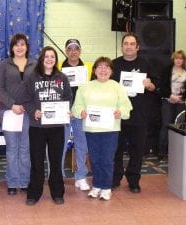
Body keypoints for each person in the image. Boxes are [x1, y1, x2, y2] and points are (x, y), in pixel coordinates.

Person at [72, 56, 132, 200]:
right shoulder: (85, 87)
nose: (103, 69)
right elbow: (76, 106)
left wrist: (120, 112)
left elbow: (126, 106)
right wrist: (81, 112)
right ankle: (96, 185)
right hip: (92, 130)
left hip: (110, 130)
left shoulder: (117, 87)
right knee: (95, 159)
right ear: (94, 70)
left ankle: (106, 187)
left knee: (107, 159)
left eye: (107, 67)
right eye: (100, 66)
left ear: (111, 71)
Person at [21, 46, 72, 205]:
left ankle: (57, 192)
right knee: (36, 161)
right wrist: (33, 111)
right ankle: (34, 193)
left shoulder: (62, 77)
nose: (49, 59)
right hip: (37, 127)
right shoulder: (32, 77)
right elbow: (26, 99)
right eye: (46, 57)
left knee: (56, 161)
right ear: (42, 59)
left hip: (56, 127)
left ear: (55, 60)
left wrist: (66, 110)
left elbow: (68, 97)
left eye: (52, 57)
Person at [111, 33, 158, 193]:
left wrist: (151, 85)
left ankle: (133, 180)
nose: (128, 46)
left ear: (137, 47)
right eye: (126, 43)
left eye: (132, 44)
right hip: (119, 116)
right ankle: (115, 177)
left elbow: (157, 87)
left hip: (140, 115)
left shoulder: (146, 64)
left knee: (137, 150)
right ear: (121, 46)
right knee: (116, 149)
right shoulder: (114, 65)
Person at [0, 33, 36, 195]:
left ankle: (25, 182)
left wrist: (28, 105)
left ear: (27, 47)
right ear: (11, 47)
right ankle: (12, 182)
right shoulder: (4, 65)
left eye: (22, 44)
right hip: (8, 112)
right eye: (16, 44)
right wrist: (12, 105)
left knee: (25, 148)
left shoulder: (34, 64)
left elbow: (36, 88)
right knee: (12, 148)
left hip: (28, 113)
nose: (19, 47)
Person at [61, 39, 92, 191]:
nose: (73, 52)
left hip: (81, 113)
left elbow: (92, 91)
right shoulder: (59, 69)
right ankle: (58, 177)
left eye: (76, 49)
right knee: (59, 145)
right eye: (70, 49)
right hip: (63, 114)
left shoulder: (88, 69)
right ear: (66, 51)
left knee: (82, 145)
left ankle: (80, 176)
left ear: (80, 51)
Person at [158, 50, 186, 160]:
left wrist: (181, 98)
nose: (178, 60)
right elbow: (162, 86)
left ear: (183, 60)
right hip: (168, 101)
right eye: (176, 58)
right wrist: (170, 96)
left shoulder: (185, 71)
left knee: (179, 126)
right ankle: (162, 151)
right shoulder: (166, 70)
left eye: (181, 58)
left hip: (181, 102)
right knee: (166, 125)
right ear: (173, 59)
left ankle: (176, 151)